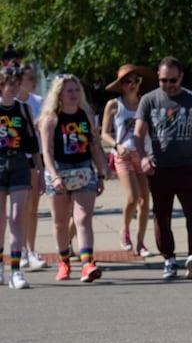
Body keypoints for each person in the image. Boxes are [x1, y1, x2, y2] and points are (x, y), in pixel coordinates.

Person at [135, 58, 192, 280]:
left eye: (172, 80)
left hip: (188, 166)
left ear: (181, 77)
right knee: (161, 215)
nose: (168, 84)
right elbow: (138, 134)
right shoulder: (149, 101)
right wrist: (143, 158)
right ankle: (169, 259)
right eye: (163, 80)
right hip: (159, 168)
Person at [37, 74, 111, 283]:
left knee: (83, 218)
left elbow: (94, 145)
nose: (73, 94)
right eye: (69, 90)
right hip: (59, 170)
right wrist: (54, 175)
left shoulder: (85, 116)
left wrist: (101, 171)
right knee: (60, 222)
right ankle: (64, 262)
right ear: (59, 94)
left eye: (76, 90)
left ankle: (88, 263)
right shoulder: (50, 119)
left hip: (82, 169)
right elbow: (47, 152)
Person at [100, 64, 155, 258]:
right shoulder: (114, 105)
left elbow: (151, 131)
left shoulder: (145, 103)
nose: (132, 84)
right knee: (132, 197)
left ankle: (141, 243)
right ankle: (125, 230)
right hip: (123, 155)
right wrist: (116, 146)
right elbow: (104, 133)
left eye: (136, 80)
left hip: (142, 155)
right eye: (127, 81)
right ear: (121, 85)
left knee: (145, 200)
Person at [0, 65, 40, 288]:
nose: (14, 87)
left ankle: (16, 270)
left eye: (17, 83)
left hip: (19, 163)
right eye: (10, 83)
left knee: (17, 216)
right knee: (0, 221)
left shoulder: (24, 110)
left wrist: (40, 171)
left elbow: (33, 143)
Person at [17, 64, 46, 271]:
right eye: (28, 78)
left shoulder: (39, 102)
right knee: (19, 207)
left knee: (32, 207)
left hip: (35, 156)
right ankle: (20, 251)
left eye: (34, 78)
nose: (33, 82)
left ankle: (31, 249)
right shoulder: (12, 104)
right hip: (17, 157)